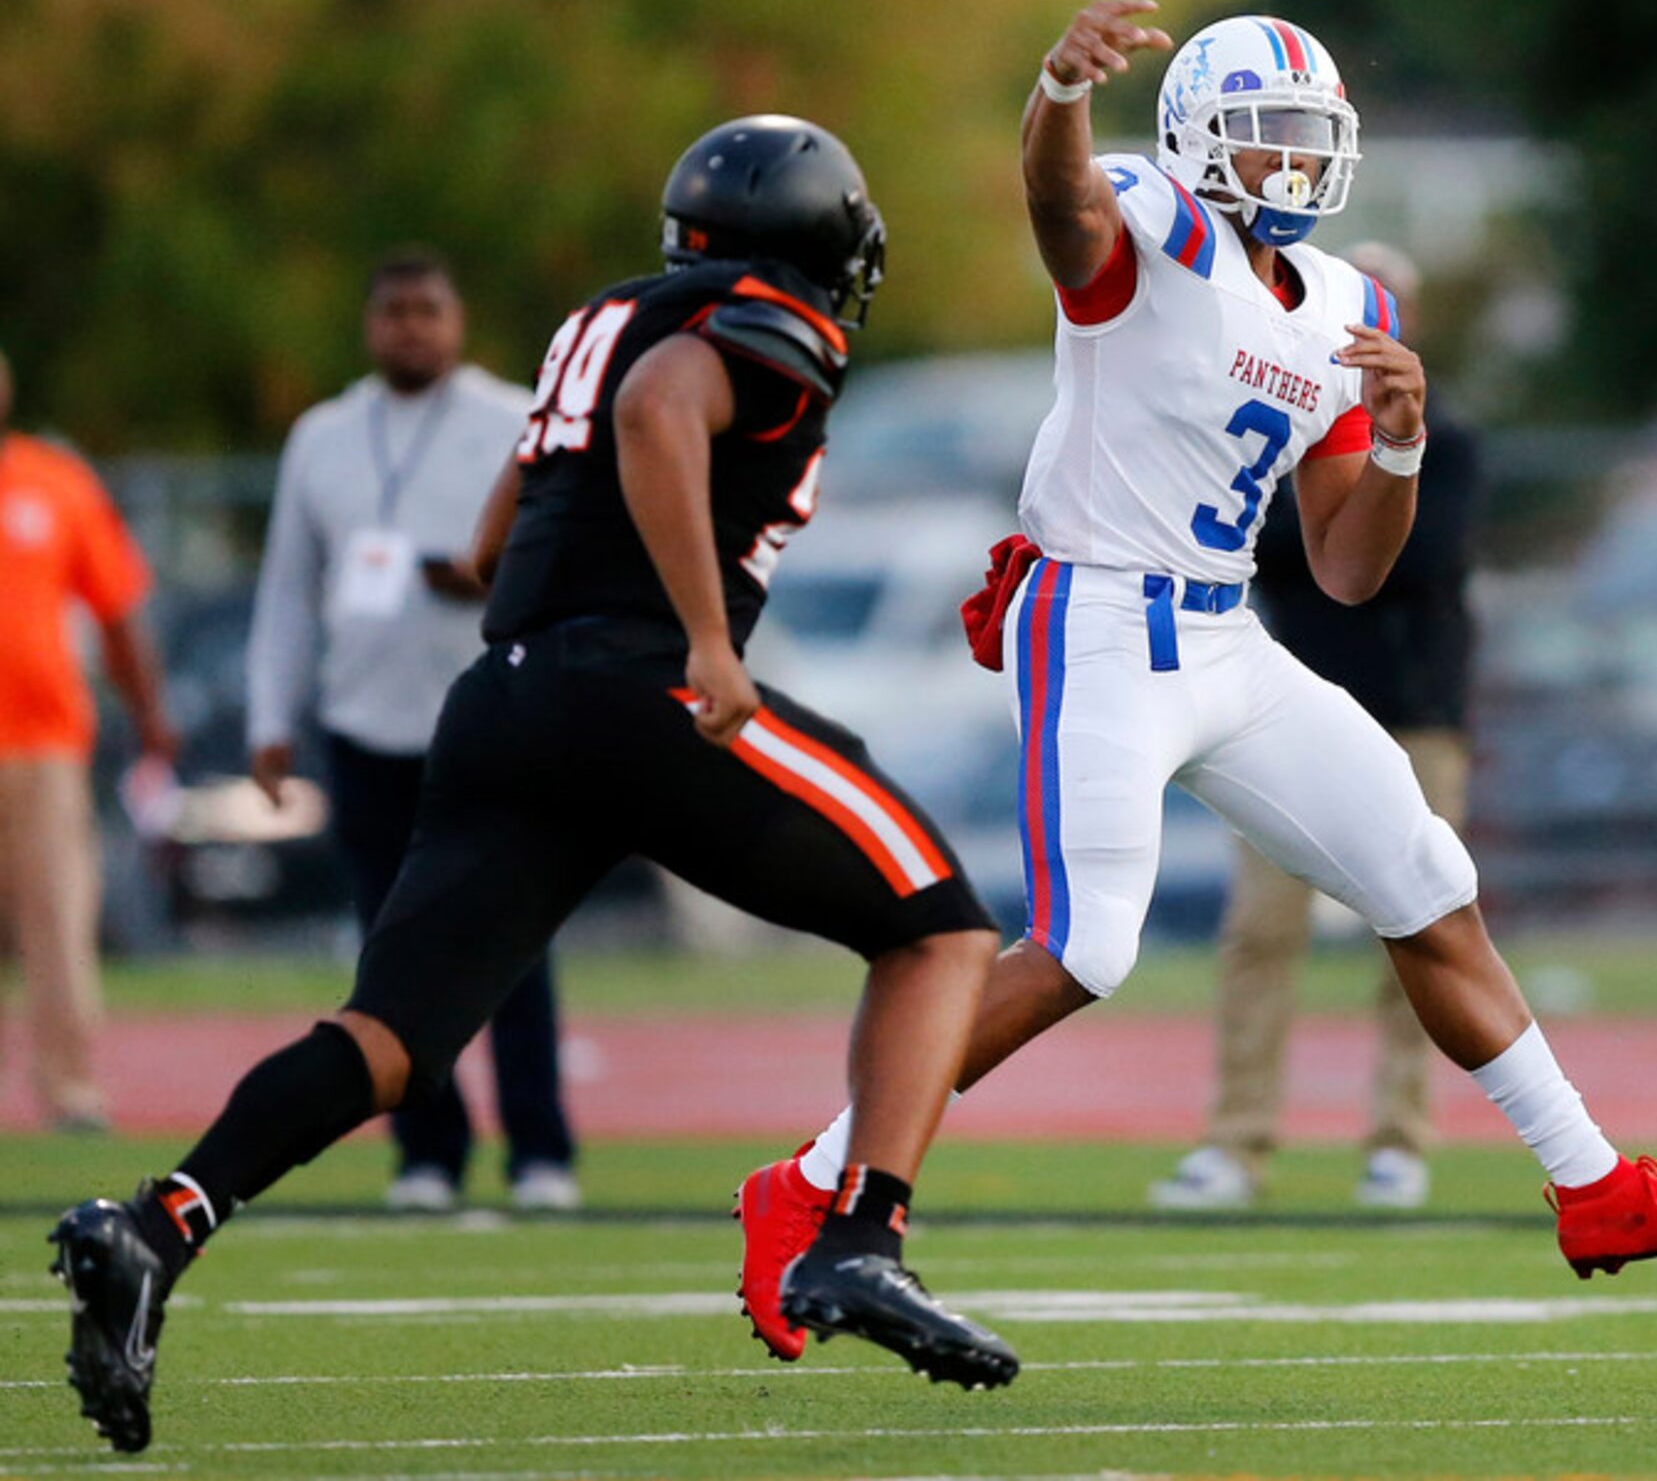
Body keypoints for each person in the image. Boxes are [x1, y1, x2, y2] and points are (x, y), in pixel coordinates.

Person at [734, 2, 1657, 1352]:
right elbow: (1058, 204)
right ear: (1193, 137)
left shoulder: (1352, 303)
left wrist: (1397, 446)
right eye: (1264, 134)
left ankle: (1593, 1184)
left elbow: (1347, 566)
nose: (1290, 162)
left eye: (1308, 138)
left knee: (1426, 875)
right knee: (1088, 943)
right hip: (1098, 614)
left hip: (1226, 631)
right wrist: (1057, 86)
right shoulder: (1152, 220)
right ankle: (812, 1181)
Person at [50, 117, 1017, 1457]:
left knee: (388, 1037)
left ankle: (157, 1223)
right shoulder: (762, 317)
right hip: (644, 688)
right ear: (808, 237)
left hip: (507, 694)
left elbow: (497, 528)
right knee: (940, 925)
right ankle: (861, 1234)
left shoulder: (598, 315)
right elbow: (656, 410)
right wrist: (706, 632)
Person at [246, 251, 579, 1213]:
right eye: (394, 312)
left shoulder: (512, 419)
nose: (412, 328)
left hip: (487, 720)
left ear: (458, 319)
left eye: (429, 310)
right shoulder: (324, 436)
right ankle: (426, 1155)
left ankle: (539, 1152)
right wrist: (273, 717)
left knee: (513, 940)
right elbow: (287, 590)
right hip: (364, 725)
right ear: (369, 325)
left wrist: (479, 576)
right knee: (392, 953)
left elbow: (558, 552)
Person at [1149, 243, 1477, 1213]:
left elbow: (1406, 552)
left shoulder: (1444, 441)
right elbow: (1261, 544)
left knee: (1421, 931)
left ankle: (1399, 1140)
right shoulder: (1290, 438)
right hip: (1285, 716)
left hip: (1415, 711)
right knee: (1260, 931)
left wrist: (1351, 496)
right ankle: (1237, 1143)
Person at [0, 346, 178, 1133]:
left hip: (42, 740)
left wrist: (149, 712)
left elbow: (115, 608)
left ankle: (68, 1087)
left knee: (57, 918)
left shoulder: (53, 479)